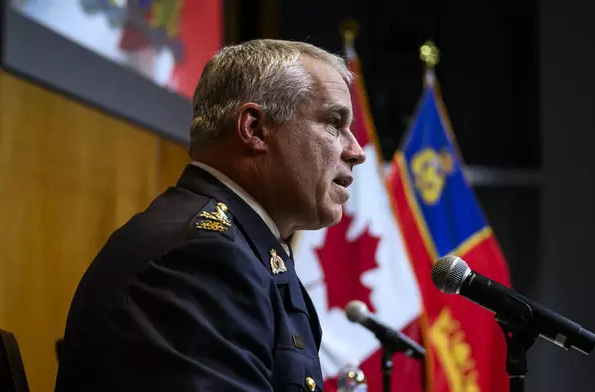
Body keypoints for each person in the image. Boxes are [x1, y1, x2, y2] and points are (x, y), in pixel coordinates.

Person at [54, 39, 366, 392]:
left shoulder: (243, 249)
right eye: (333, 123)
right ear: (255, 129)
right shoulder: (201, 259)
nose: (356, 152)